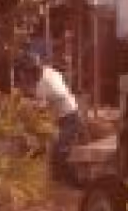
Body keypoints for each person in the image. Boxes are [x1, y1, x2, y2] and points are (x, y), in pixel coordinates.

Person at [15, 52, 81, 185]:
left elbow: (55, 96)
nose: (22, 75)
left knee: (59, 152)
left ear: (31, 71)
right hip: (60, 117)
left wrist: (40, 104)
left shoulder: (48, 84)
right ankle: (55, 179)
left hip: (70, 118)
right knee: (48, 148)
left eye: (24, 72)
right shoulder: (48, 72)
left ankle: (76, 183)